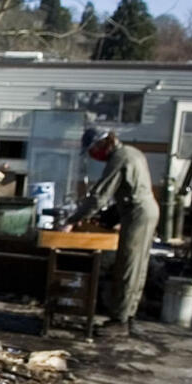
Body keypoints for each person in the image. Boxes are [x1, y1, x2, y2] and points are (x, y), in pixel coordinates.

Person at [64, 127, 160, 336]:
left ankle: (120, 321)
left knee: (128, 265)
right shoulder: (133, 152)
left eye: (92, 150)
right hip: (142, 211)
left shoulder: (119, 158)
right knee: (137, 266)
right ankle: (129, 315)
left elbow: (100, 195)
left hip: (138, 213)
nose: (93, 156)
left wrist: (73, 219)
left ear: (102, 143)